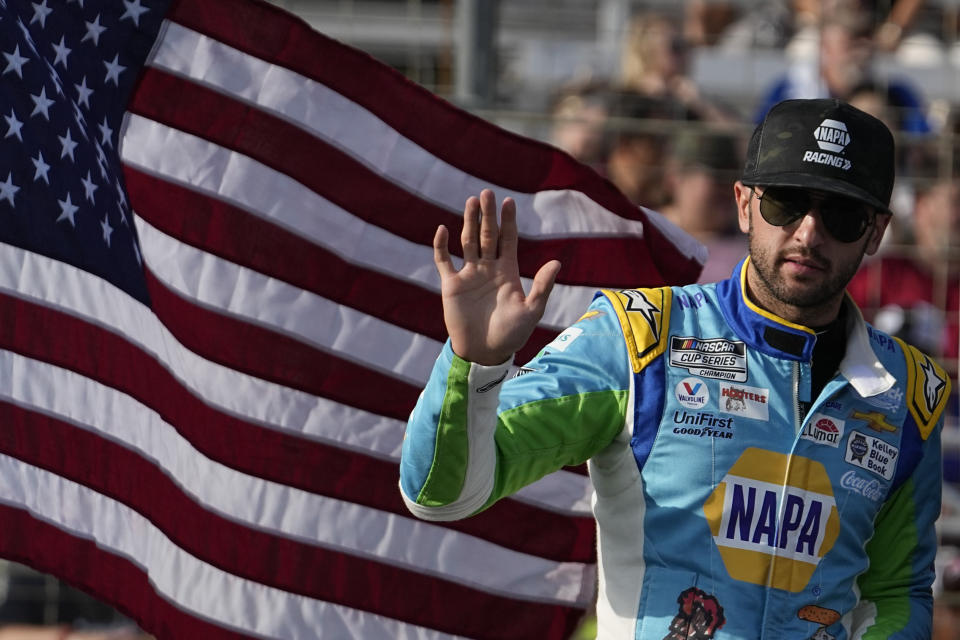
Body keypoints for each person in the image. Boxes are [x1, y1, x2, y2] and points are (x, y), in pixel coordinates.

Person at [399, 98, 948, 638]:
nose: (809, 232)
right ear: (744, 203)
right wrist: (474, 363)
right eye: (785, 202)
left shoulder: (907, 394)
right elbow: (443, 494)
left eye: (842, 214)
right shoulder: (641, 339)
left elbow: (896, 594)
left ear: (876, 231)